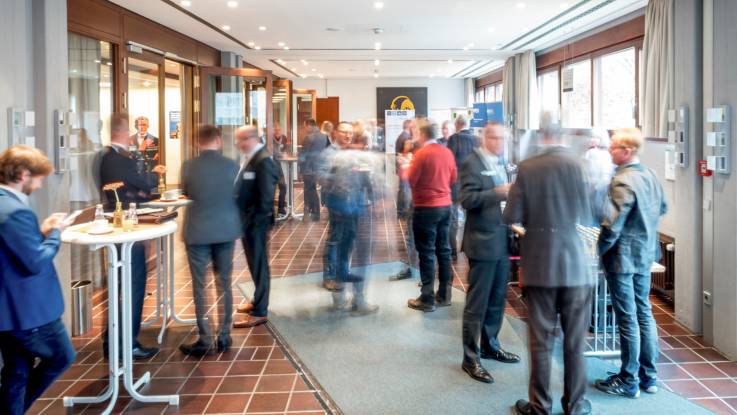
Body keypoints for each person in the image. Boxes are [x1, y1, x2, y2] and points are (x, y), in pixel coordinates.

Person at [504, 125, 593, 415]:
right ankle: (576, 406)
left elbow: (512, 215)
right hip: (575, 263)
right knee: (574, 343)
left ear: (542, 137)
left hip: (540, 263)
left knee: (541, 343)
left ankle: (540, 406)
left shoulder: (528, 167)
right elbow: (593, 211)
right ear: (562, 136)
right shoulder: (578, 165)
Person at [0, 146, 76, 414]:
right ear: (22, 174)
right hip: (28, 311)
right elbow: (35, 262)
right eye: (39, 178)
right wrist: (55, 233)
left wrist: (41, 232)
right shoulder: (16, 211)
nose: (41, 184)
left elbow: (15, 250)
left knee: (17, 372)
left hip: (7, 313)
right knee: (62, 356)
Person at [594, 127, 667, 398]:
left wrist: (598, 250)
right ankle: (648, 377)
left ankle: (628, 380)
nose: (609, 151)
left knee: (627, 318)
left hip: (622, 259)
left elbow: (612, 225)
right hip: (645, 254)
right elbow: (662, 209)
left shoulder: (623, 180)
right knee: (644, 313)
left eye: (613, 147)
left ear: (627, 151)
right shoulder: (650, 175)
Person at [100, 113, 165, 360]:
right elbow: (144, 182)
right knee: (133, 285)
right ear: (121, 132)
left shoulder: (104, 157)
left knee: (118, 287)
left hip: (115, 227)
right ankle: (128, 342)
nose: (130, 135)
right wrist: (156, 173)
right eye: (128, 130)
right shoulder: (120, 159)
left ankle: (113, 341)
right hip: (127, 229)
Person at [459, 123, 520, 383]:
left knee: (497, 300)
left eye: (503, 139)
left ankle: (491, 345)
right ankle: (470, 358)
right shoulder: (471, 163)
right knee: (478, 303)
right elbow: (466, 200)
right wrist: (496, 193)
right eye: (495, 138)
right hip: (481, 242)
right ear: (485, 138)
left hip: (503, 240)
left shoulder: (503, 162)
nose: (499, 143)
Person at [178, 125, 242, 356]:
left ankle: (205, 337)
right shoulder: (232, 165)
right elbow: (238, 192)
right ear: (217, 140)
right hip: (225, 229)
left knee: (199, 285)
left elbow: (186, 192)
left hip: (198, 231)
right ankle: (225, 334)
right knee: (224, 281)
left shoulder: (188, 167)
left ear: (197, 142)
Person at [321, 121, 379, 315]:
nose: (348, 136)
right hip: (344, 207)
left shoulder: (350, 155)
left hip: (353, 206)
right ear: (335, 133)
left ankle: (342, 289)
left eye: (350, 134)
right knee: (339, 243)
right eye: (344, 132)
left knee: (344, 245)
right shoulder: (333, 155)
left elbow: (362, 180)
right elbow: (325, 179)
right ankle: (340, 286)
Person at [406, 119, 457, 312]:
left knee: (426, 252)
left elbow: (412, 180)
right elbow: (453, 178)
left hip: (426, 208)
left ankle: (427, 298)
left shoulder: (421, 154)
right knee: (443, 251)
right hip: (446, 206)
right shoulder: (447, 152)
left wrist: (405, 167)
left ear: (423, 134)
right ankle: (444, 295)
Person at [233, 125, 280, 328]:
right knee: (254, 264)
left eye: (241, 140)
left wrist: (255, 221)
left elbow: (267, 197)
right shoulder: (252, 157)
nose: (238, 144)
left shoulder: (263, 160)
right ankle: (256, 301)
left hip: (256, 224)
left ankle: (260, 310)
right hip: (248, 222)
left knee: (259, 265)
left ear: (250, 138)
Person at [447, 115, 480, 261]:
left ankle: (452, 251)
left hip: (455, 183)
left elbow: (449, 161)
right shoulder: (476, 140)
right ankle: (472, 248)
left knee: (453, 218)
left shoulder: (453, 139)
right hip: (472, 183)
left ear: (457, 124)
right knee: (471, 216)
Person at [390, 138, 419, 281]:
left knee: (414, 238)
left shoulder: (416, 160)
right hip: (419, 205)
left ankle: (414, 269)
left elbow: (406, 180)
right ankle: (415, 269)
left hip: (418, 205)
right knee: (414, 238)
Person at [300, 118, 329, 221]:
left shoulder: (308, 138)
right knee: (313, 190)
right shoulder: (325, 137)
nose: (305, 129)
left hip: (309, 168)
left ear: (309, 125)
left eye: (305, 126)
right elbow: (327, 152)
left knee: (309, 190)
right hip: (320, 167)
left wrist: (300, 169)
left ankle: (311, 213)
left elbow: (303, 155)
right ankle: (314, 213)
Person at [395, 118, 415, 219]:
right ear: (408, 126)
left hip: (403, 168)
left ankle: (401, 211)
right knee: (405, 190)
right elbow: (403, 153)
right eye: (412, 126)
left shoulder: (401, 136)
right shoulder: (406, 137)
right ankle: (403, 212)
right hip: (405, 168)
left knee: (403, 190)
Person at [273, 123, 289, 216]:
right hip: (271, 166)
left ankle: (281, 209)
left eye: (279, 130)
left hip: (279, 166)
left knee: (283, 187)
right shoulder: (269, 138)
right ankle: (270, 211)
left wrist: (285, 153)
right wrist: (281, 155)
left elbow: (285, 149)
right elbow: (272, 152)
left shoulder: (284, 138)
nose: (278, 131)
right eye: (276, 130)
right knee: (272, 189)